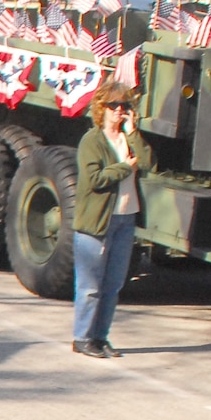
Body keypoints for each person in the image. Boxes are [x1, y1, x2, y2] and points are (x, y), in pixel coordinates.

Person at [74, 80, 148, 358]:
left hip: (125, 219)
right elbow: (94, 179)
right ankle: (82, 338)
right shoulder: (92, 141)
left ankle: (101, 337)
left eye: (124, 106)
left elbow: (149, 162)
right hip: (97, 221)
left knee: (113, 285)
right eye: (114, 106)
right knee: (90, 286)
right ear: (101, 108)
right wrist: (123, 168)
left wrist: (134, 133)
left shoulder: (128, 138)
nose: (119, 110)